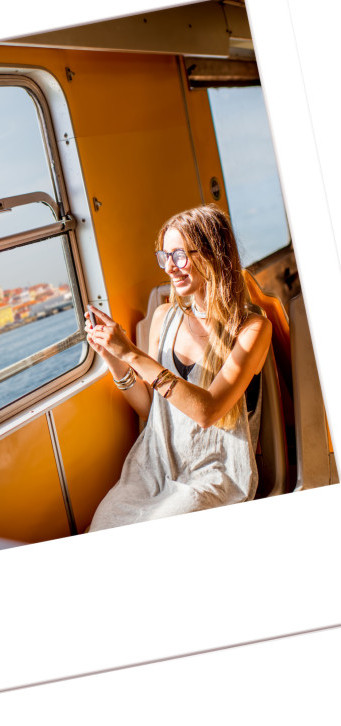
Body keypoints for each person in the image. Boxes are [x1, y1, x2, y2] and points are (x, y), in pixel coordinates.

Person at [85, 205, 272, 531]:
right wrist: (114, 359)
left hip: (215, 472)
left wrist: (131, 353)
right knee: (102, 526)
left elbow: (207, 411)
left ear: (212, 255)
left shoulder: (252, 329)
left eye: (180, 255)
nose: (170, 267)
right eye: (164, 256)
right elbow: (151, 408)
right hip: (154, 465)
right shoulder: (164, 317)